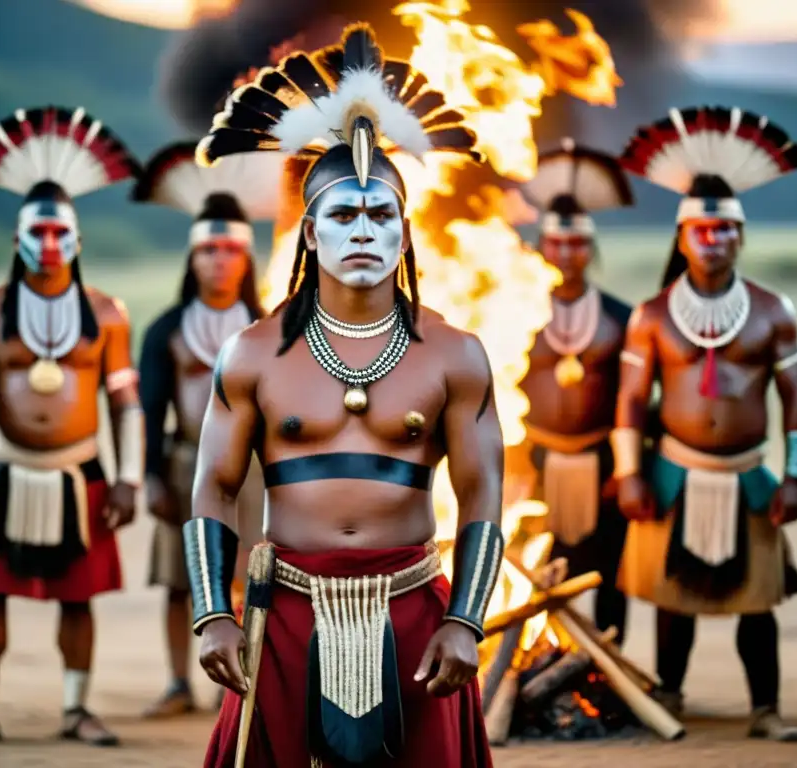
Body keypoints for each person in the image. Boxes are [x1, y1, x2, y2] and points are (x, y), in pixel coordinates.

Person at [187, 23, 500, 766]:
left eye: (381, 214)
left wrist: (466, 619)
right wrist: (211, 613)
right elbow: (214, 486)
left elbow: (484, 491)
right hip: (285, 609)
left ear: (404, 231)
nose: (363, 230)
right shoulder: (254, 352)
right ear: (308, 233)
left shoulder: (455, 353)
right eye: (343, 214)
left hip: (416, 608)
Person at [0, 106, 143, 749]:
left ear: (75, 237)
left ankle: (78, 709)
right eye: (37, 232)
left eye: (58, 232)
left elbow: (126, 404)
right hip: (2, 469)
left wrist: (128, 478)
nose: (48, 244)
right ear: (18, 236)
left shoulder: (107, 313)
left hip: (81, 470)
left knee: (79, 598)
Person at [614, 105, 797, 740]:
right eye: (701, 229)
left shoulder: (772, 312)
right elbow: (629, 405)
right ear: (682, 235)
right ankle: (669, 696)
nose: (714, 239)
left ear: (740, 236)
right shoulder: (650, 316)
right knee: (676, 601)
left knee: (760, 604)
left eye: (725, 230)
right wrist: (629, 475)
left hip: (748, 472)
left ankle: (767, 709)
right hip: (676, 469)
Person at [132, 146, 267, 718]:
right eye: (208, 250)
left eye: (231, 249)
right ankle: (176, 682)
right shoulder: (167, 328)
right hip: (187, 462)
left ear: (246, 258)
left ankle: (238, 680)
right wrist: (150, 474)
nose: (219, 260)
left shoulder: (268, 329)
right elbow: (147, 407)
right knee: (179, 579)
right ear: (192, 258)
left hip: (257, 471)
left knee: (248, 575)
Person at [512, 137, 635, 644]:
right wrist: (514, 463)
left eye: (577, 243)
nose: (566, 253)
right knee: (529, 569)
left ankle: (607, 669)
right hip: (532, 462)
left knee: (607, 572)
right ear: (541, 245)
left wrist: (627, 470)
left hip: (601, 462)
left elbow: (634, 399)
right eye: (556, 242)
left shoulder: (620, 318)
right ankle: (528, 660)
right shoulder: (511, 310)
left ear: (592, 248)